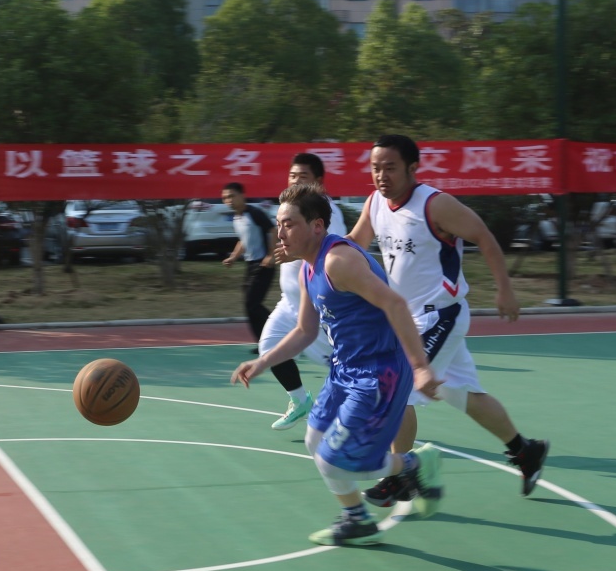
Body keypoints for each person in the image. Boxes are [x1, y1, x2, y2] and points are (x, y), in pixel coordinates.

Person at [232, 183, 445, 547]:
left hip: (380, 373)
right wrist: (263, 361)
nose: (280, 233)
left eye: (289, 224)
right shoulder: (308, 268)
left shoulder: (338, 261)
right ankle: (357, 519)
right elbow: (305, 330)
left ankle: (415, 465)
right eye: (279, 224)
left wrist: (421, 367)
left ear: (317, 226)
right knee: (315, 441)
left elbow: (395, 304)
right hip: (345, 370)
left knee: (337, 459)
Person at [346, 134, 549, 501]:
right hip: (407, 320)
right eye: (375, 168)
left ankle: (401, 476)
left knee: (399, 389)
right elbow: (354, 244)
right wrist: (317, 255)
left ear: (412, 168)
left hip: (440, 315)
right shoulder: (375, 203)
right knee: (464, 395)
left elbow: (484, 236)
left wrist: (505, 289)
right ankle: (525, 451)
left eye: (390, 168)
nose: (381, 175)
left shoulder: (435, 205)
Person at [262, 153, 348, 430]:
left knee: (341, 366)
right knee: (269, 346)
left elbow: (331, 250)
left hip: (317, 307)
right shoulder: (290, 208)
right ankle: (300, 401)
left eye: (303, 177)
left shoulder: (326, 213)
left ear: (319, 182)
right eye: (292, 176)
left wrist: (295, 254)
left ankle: (372, 409)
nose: (296, 181)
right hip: (289, 302)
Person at [221, 182, 277, 350]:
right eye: (225, 198)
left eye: (232, 196)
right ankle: (264, 343)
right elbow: (243, 240)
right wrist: (233, 257)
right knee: (250, 306)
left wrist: (271, 255)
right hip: (251, 265)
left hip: (263, 264)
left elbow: (273, 230)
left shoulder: (254, 213)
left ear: (242, 195)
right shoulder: (237, 218)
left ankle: (282, 333)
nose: (229, 200)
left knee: (252, 304)